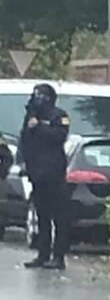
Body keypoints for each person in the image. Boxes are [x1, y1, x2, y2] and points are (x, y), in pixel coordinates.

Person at [19, 84, 70, 271]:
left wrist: (39, 126)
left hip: (54, 175)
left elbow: (59, 136)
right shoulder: (31, 116)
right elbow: (24, 140)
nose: (37, 99)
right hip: (37, 174)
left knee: (59, 217)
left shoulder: (59, 116)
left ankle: (59, 257)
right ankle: (43, 254)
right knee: (42, 216)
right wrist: (23, 163)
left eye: (41, 95)